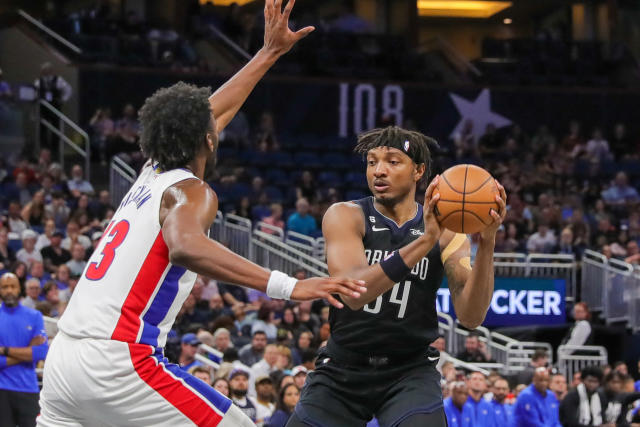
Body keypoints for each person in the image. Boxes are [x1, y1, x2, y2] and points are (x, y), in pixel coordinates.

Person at [37, 3, 365, 425]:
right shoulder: (191, 190)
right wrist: (288, 285)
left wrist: (268, 53)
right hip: (119, 360)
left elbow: (213, 112)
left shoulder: (150, 172)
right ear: (209, 142)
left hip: (65, 360)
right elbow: (185, 246)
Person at [290, 126, 507, 426]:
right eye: (372, 162)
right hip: (343, 367)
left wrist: (487, 245)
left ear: (419, 171)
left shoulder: (449, 233)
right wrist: (424, 242)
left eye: (393, 161)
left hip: (409, 371)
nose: (379, 171)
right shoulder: (345, 215)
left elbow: (471, 317)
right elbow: (355, 293)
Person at [0, 273, 49, 427]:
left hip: (28, 387)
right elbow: (34, 353)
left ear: (19, 289)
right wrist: (27, 352)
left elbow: (41, 352)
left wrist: (3, 350)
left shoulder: (35, 316)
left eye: (13, 286)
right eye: (5, 287)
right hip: (2, 390)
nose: (9, 291)